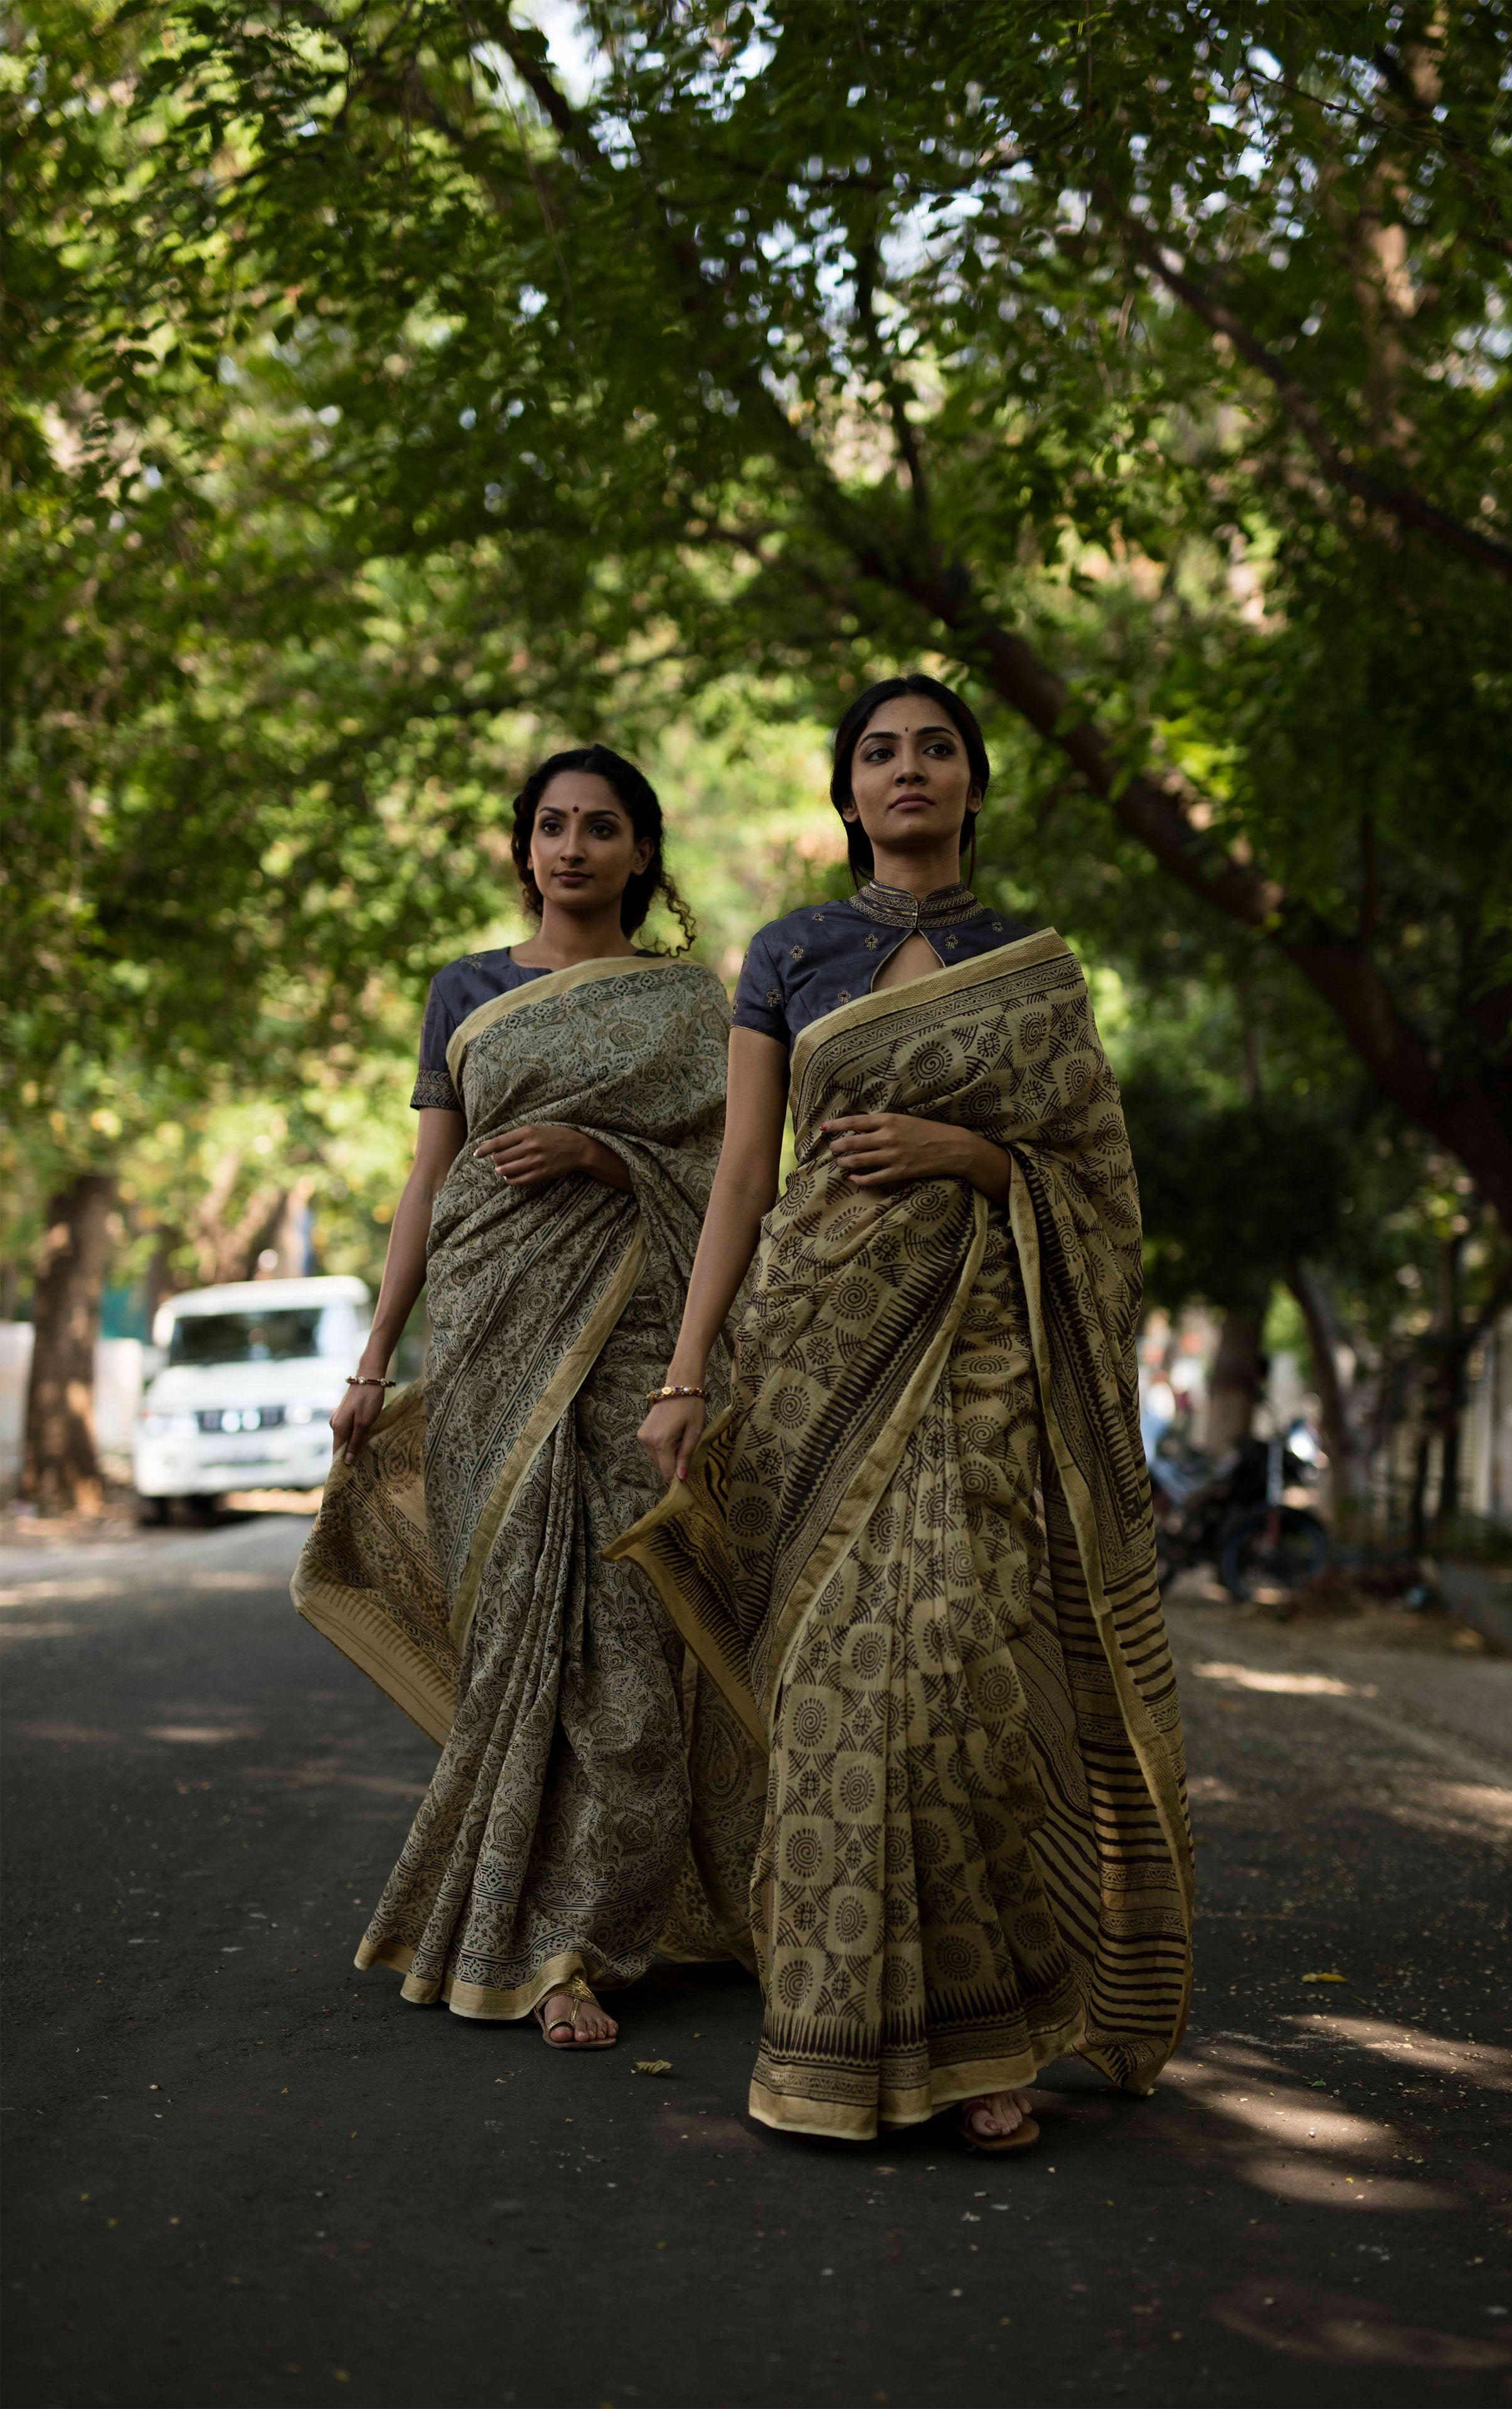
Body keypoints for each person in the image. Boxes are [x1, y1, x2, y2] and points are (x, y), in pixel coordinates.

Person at [615, 676, 1193, 2148]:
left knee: (965, 1665)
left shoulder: (1033, 966)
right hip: (813, 1346)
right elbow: (747, 1176)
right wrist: (686, 1377)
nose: (907, 770)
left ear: (972, 783)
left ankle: (989, 2041)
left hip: (984, 1354)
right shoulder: (790, 957)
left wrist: (972, 1156)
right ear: (846, 792)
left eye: (935, 749)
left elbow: (1094, 1185)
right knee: (831, 1694)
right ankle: (828, 2035)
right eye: (879, 753)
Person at [292, 745, 762, 2050]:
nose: (571, 849)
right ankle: (532, 1921)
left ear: (638, 852)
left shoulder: (682, 1003)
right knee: (514, 1645)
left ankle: (585, 1947)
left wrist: (604, 1155)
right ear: (523, 847)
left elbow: (728, 1178)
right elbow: (427, 1183)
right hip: (491, 1343)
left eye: (599, 829)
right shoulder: (469, 991)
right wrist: (377, 1358)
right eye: (550, 827)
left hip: (628, 1350)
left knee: (625, 1649)